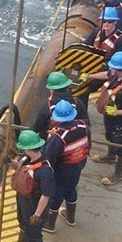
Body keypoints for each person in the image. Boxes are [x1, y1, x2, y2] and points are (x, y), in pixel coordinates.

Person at [0, 130, 56, 242]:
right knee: (22, 221)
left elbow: (46, 194)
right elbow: (19, 167)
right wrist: (10, 161)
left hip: (35, 205)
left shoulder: (44, 171)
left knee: (34, 232)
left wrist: (37, 214)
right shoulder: (26, 158)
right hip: (23, 198)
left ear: (28, 148)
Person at [88, 51, 122, 185]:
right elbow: (105, 74)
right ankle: (111, 155)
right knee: (110, 136)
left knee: (120, 145)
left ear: (120, 70)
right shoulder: (114, 76)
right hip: (110, 116)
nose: (110, 69)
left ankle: (119, 173)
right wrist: (90, 76)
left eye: (112, 67)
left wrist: (117, 112)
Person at [42, 100, 90, 233]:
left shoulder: (57, 137)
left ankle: (50, 224)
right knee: (71, 190)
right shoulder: (83, 126)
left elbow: (49, 159)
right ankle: (70, 217)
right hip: (77, 167)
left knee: (55, 196)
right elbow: (88, 144)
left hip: (61, 172)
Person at [79, 7, 122, 106]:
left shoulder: (121, 39)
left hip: (109, 70)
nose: (106, 24)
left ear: (115, 22)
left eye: (110, 22)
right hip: (93, 65)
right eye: (104, 21)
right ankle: (82, 110)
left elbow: (118, 64)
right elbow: (85, 46)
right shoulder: (97, 31)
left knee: (86, 89)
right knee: (80, 89)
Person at [32, 71, 89, 141]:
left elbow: (37, 127)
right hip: (73, 140)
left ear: (51, 89)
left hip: (51, 141)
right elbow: (86, 123)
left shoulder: (46, 105)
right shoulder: (78, 103)